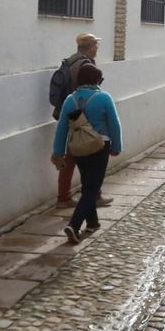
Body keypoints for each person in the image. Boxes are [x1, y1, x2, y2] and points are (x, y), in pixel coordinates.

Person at [52, 63, 122, 244]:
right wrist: (116, 145)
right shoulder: (104, 98)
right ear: (96, 80)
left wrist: (58, 152)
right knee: (92, 188)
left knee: (87, 185)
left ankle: (92, 222)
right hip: (100, 146)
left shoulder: (70, 100)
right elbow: (114, 124)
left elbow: (61, 129)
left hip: (77, 148)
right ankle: (74, 225)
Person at [47, 33, 109, 208]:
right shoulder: (85, 65)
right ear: (90, 46)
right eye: (96, 44)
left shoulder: (71, 61)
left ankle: (66, 196)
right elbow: (85, 91)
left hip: (70, 113)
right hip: (81, 116)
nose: (97, 48)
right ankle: (88, 196)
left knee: (72, 157)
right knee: (88, 156)